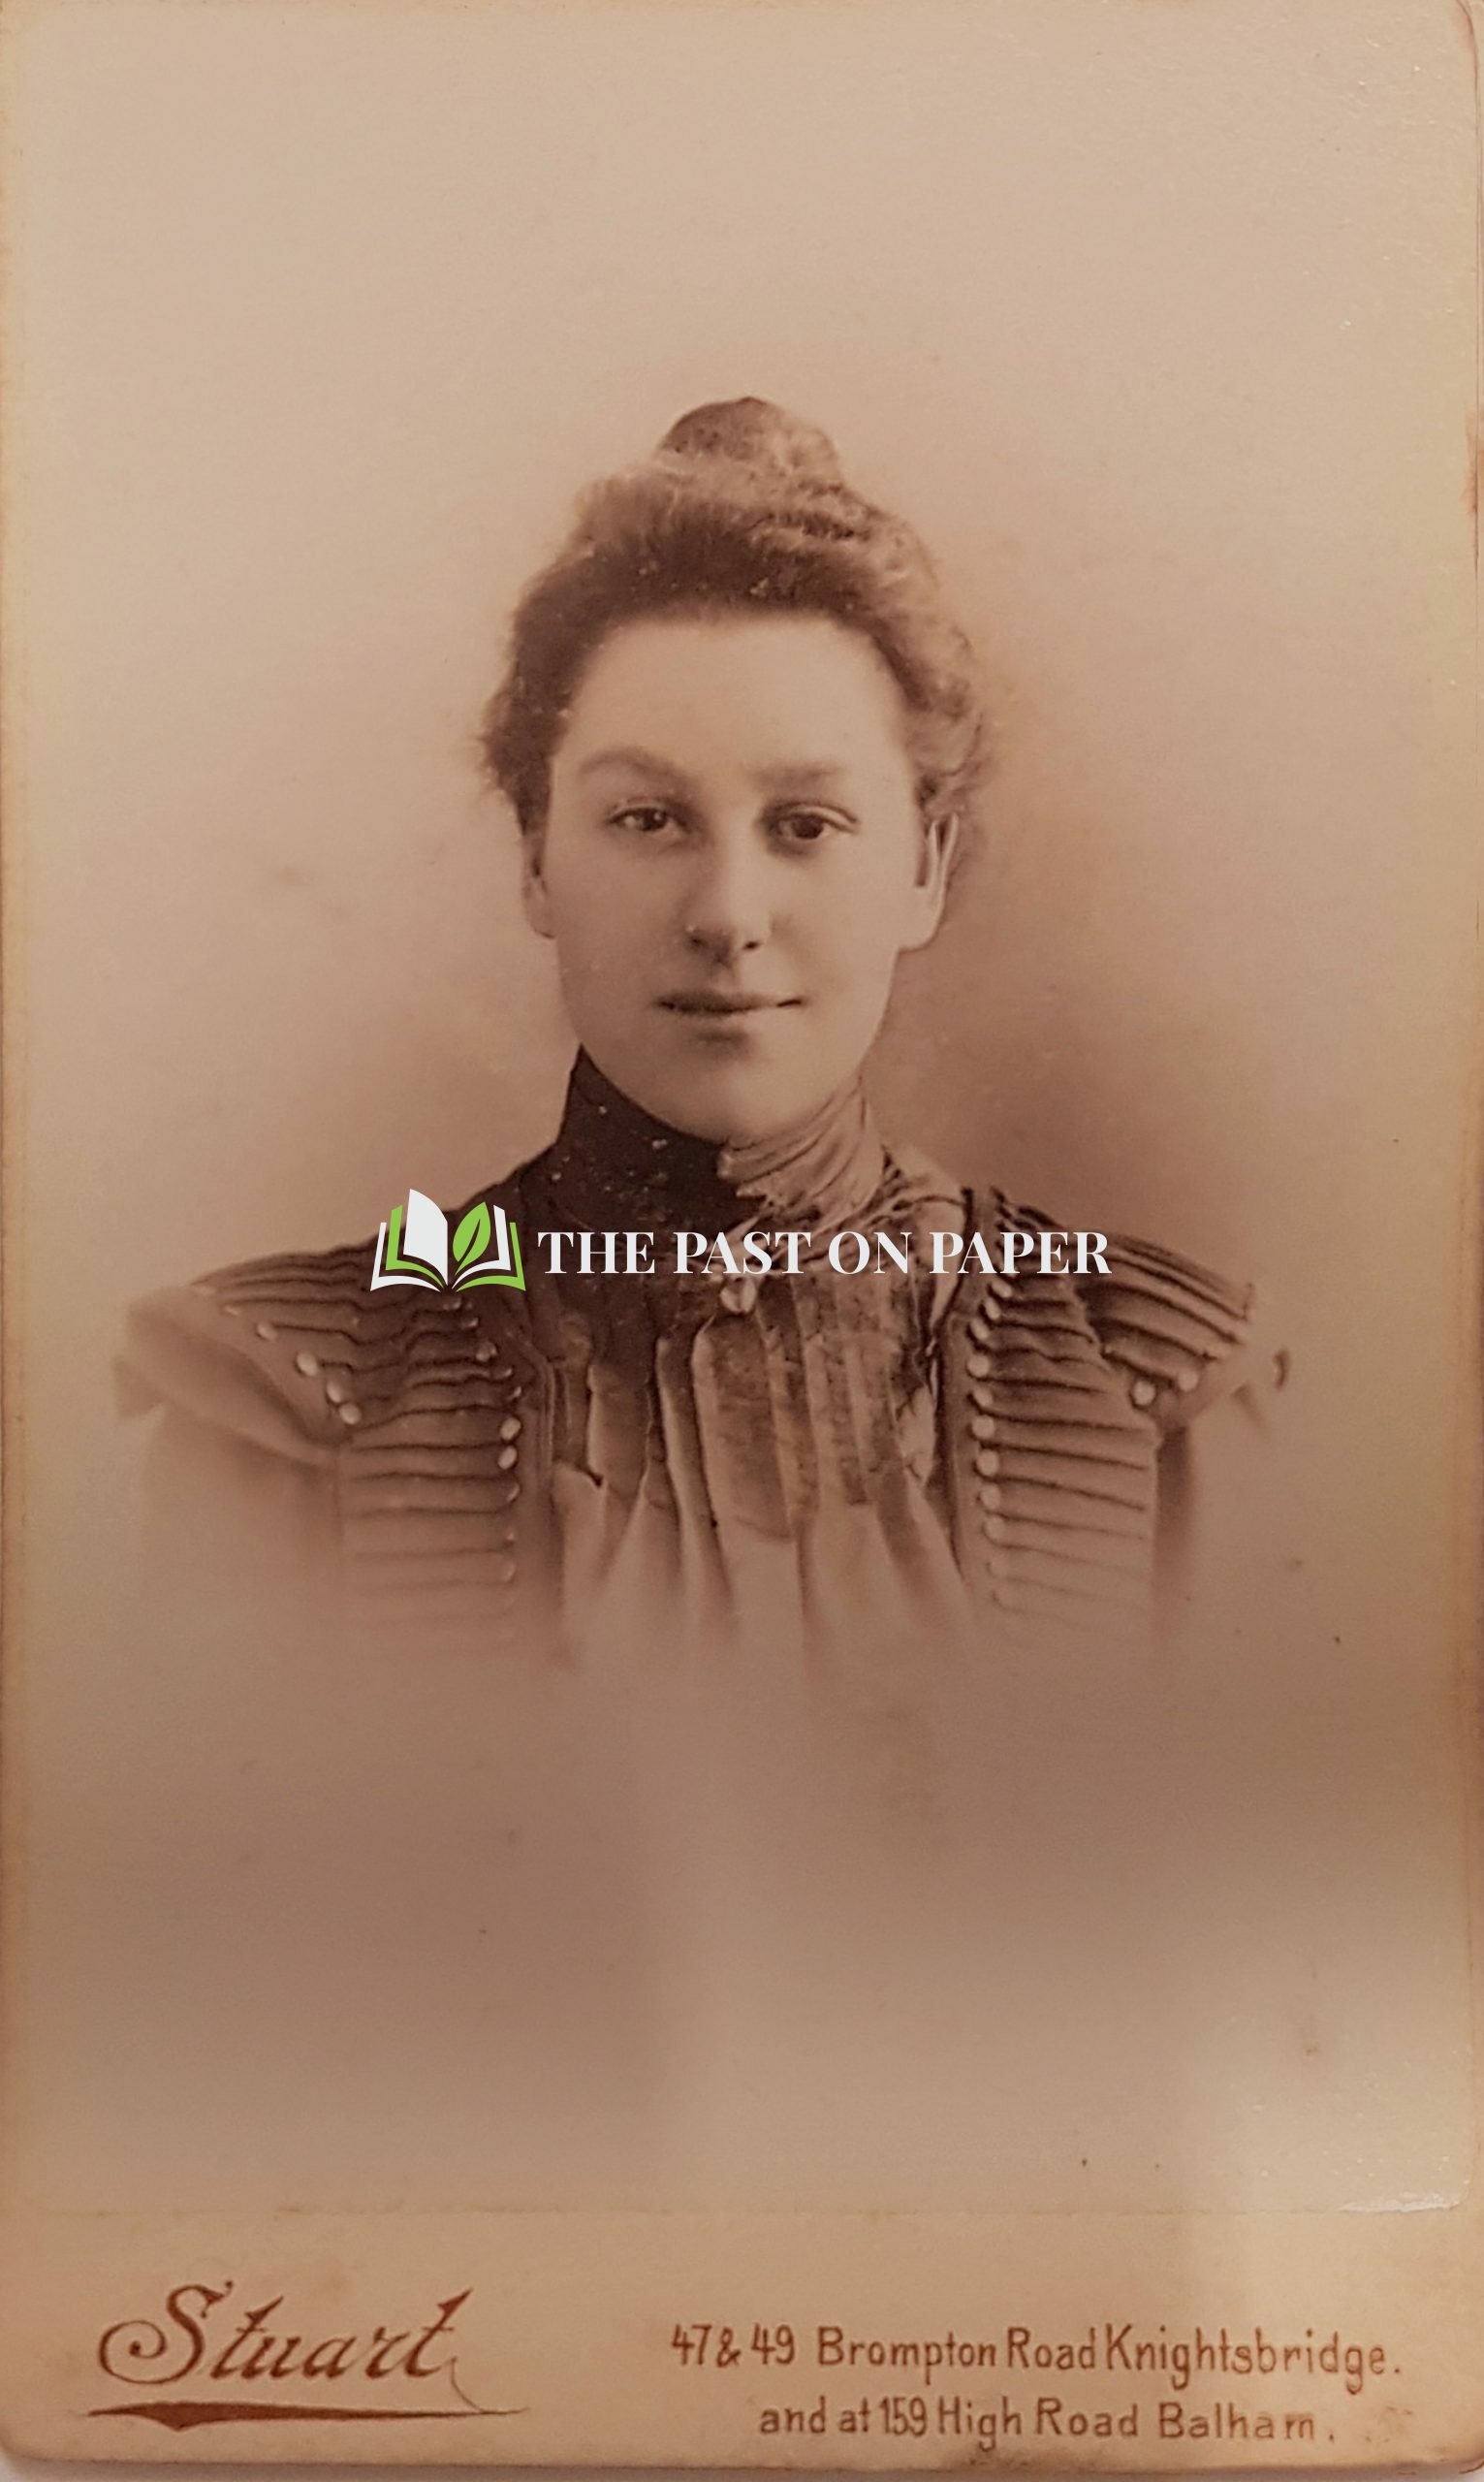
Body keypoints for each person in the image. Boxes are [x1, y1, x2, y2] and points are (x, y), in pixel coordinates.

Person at [118, 398, 1284, 1717]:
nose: (728, 914)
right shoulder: (295, 1407)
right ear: (537, 861)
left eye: (804, 823)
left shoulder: (1148, 1393)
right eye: (647, 817)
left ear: (923, 869)